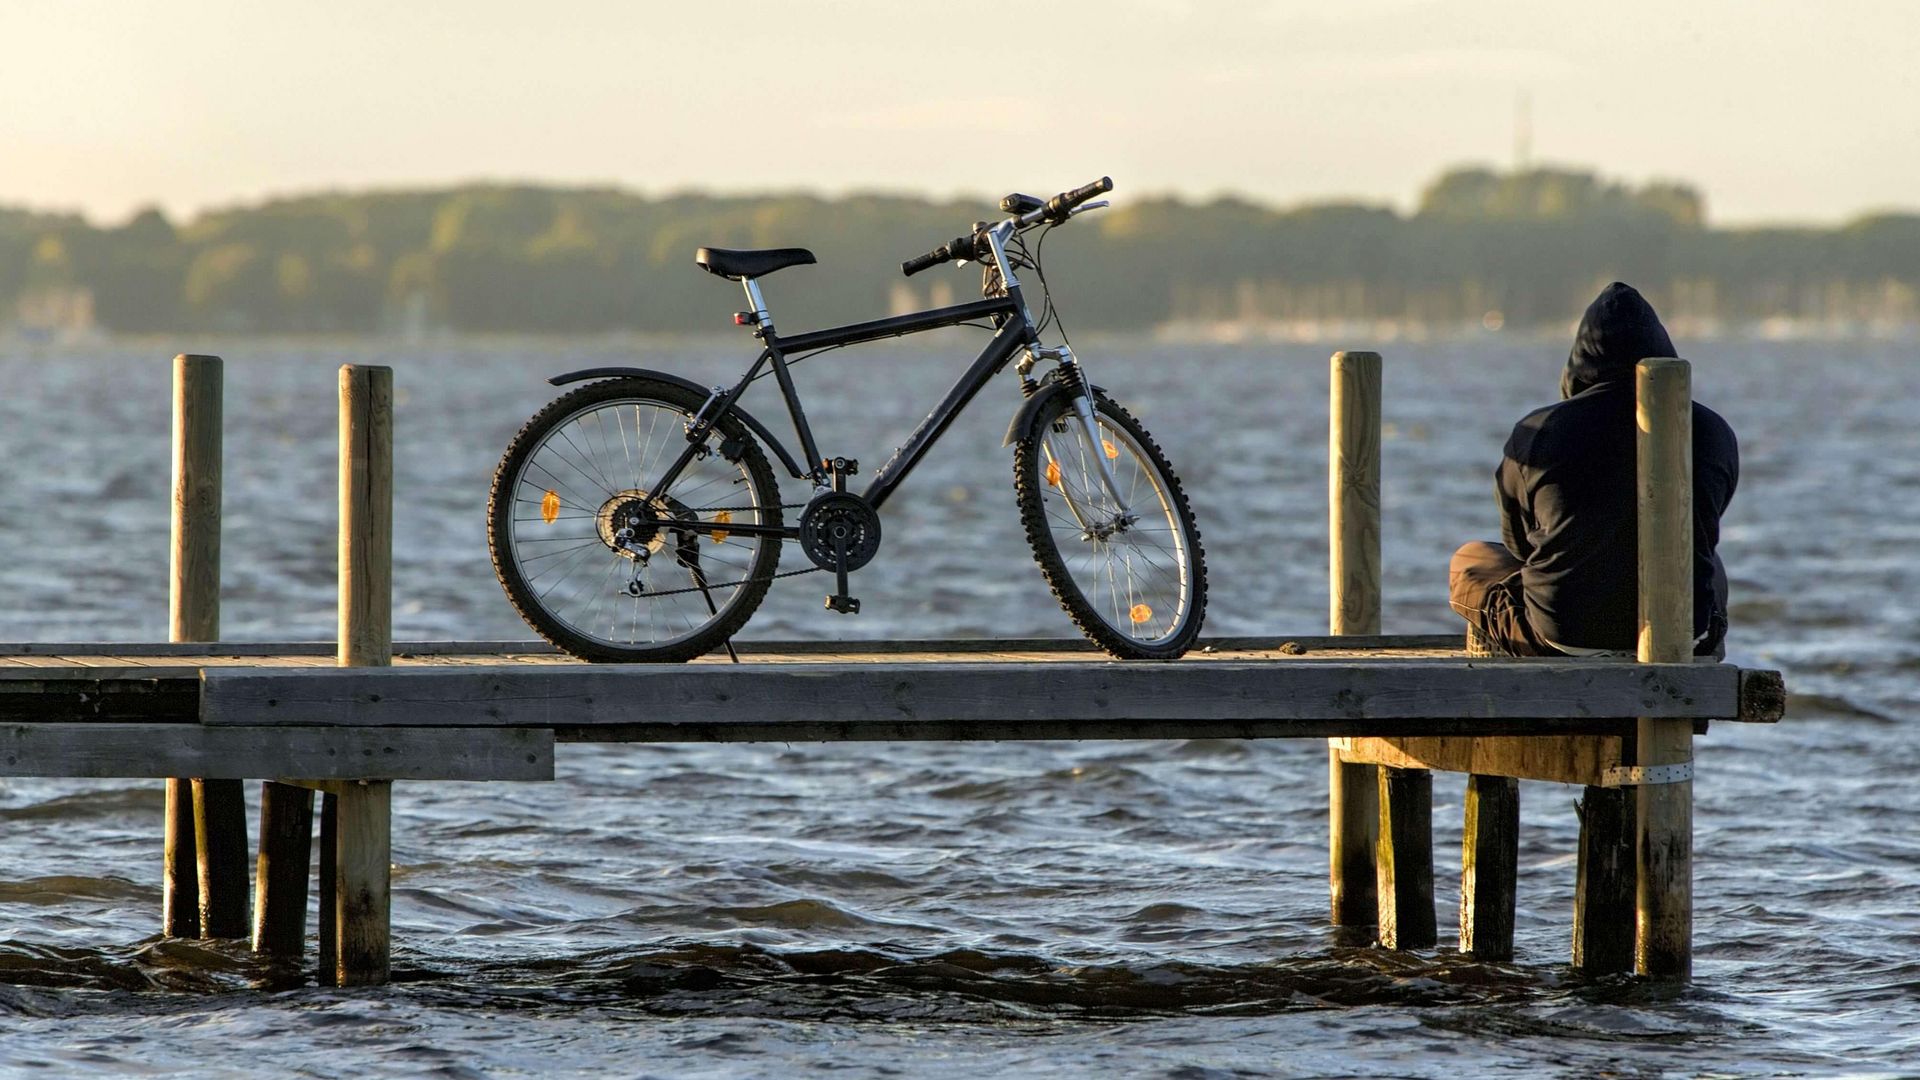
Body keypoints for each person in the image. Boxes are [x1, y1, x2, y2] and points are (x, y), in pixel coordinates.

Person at [1449, 282, 1739, 657]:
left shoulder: (1539, 431)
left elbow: (1519, 545)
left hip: (1564, 636)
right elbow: (1706, 523)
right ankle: (1693, 679)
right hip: (1685, 633)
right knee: (1710, 562)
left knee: (1469, 561)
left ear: (1579, 360)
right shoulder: (1714, 431)